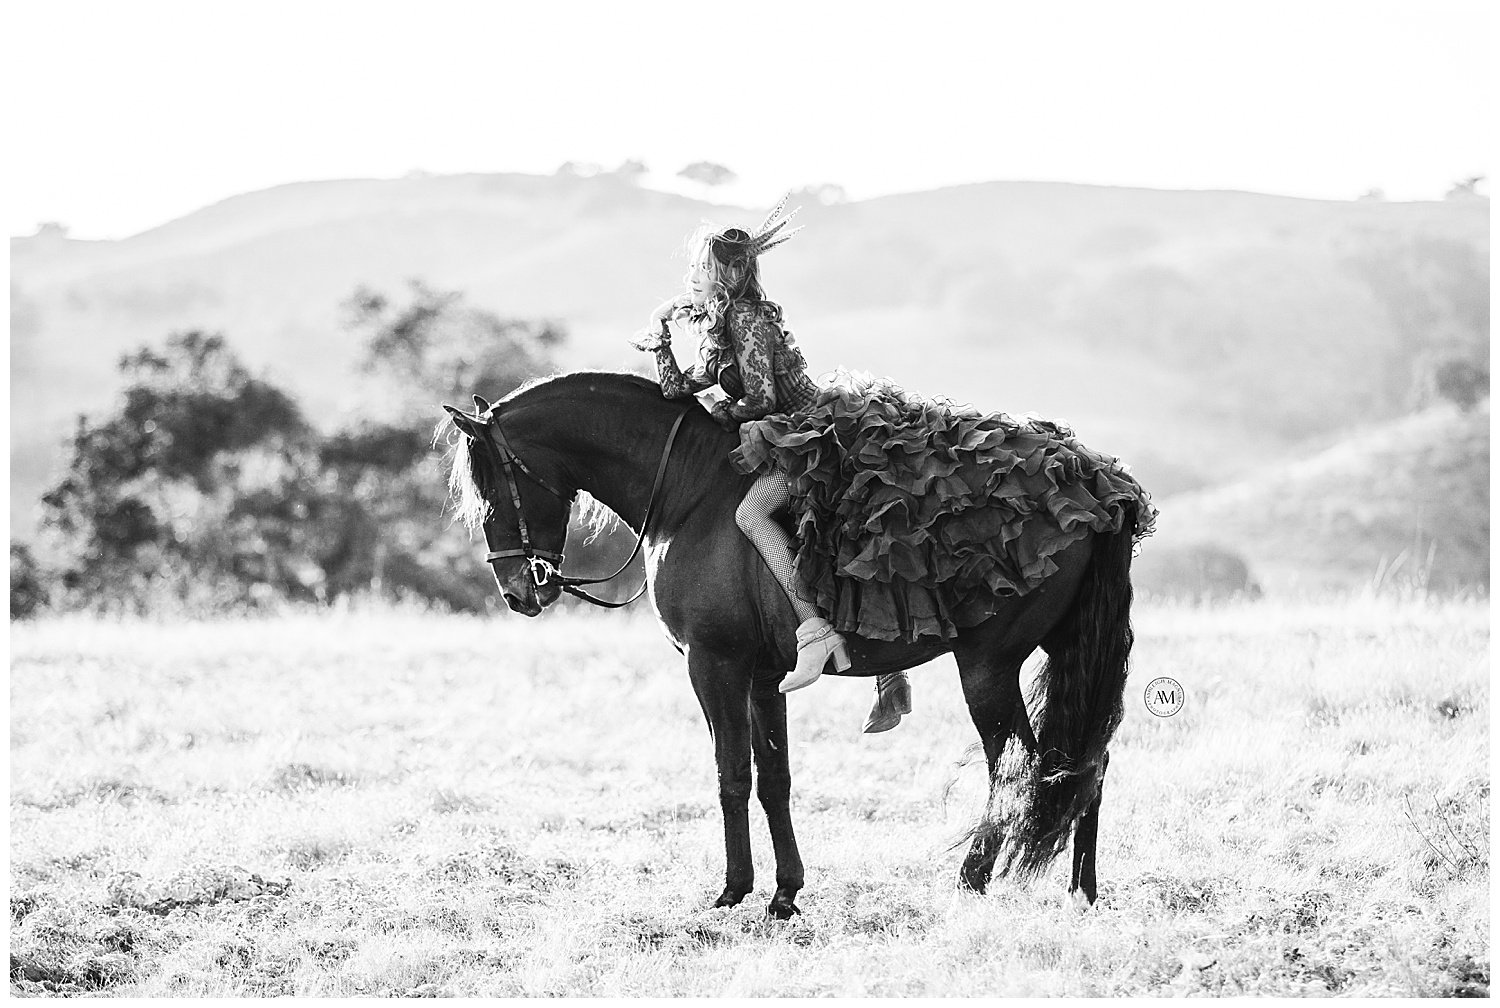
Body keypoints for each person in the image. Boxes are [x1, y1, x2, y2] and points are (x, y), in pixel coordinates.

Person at [630, 197, 914, 733]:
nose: (691, 277)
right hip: (787, 430)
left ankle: (814, 630)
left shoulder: (747, 316)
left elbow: (760, 398)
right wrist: (660, 332)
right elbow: (676, 388)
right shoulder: (719, 321)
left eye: (701, 268)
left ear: (731, 273)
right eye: (691, 268)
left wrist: (721, 409)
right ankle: (888, 670)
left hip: (809, 430)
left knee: (752, 515)